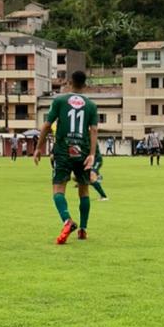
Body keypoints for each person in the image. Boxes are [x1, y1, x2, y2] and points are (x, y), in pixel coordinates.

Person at [34, 69, 98, 243]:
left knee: (58, 189)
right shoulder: (91, 106)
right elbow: (93, 130)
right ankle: (83, 229)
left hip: (63, 150)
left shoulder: (60, 100)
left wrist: (39, 148)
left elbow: (47, 126)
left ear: (70, 82)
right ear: (85, 85)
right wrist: (92, 154)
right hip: (82, 151)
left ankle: (67, 220)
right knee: (83, 190)